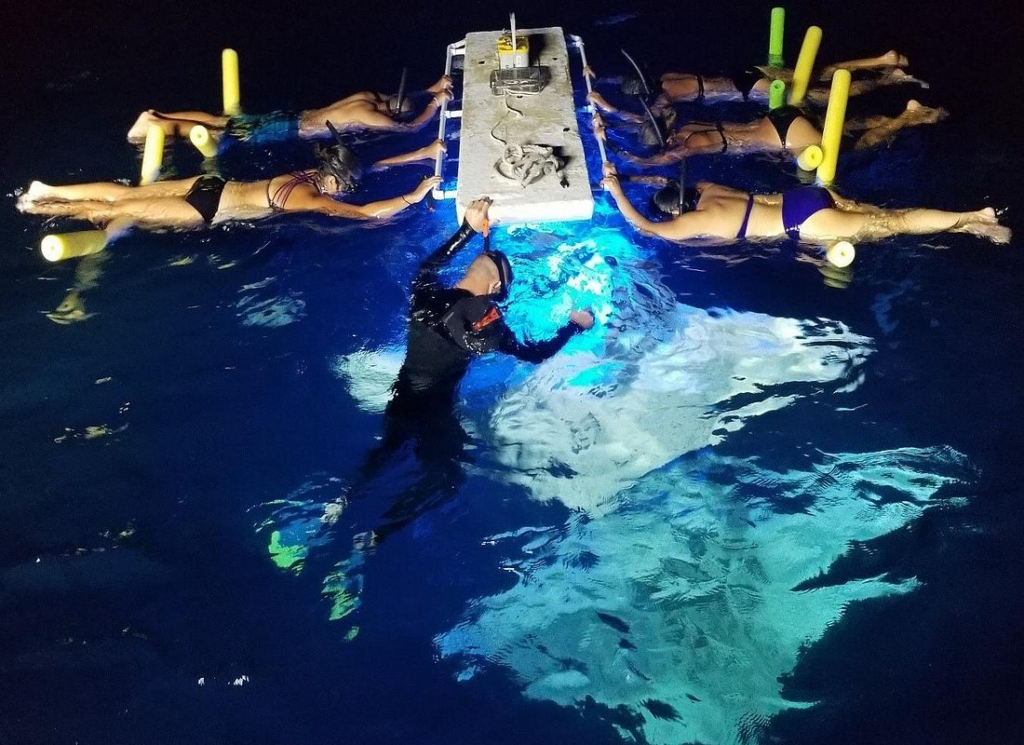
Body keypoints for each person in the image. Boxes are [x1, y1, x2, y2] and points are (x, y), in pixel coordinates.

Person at [17, 140, 446, 230]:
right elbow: (366, 213)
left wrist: (421, 153)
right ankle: (38, 208)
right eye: (344, 187)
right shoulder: (311, 198)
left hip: (213, 183)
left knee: (124, 194)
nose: (343, 194)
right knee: (117, 212)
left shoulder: (308, 173)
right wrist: (413, 195)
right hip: (206, 209)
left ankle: (46, 189)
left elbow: (368, 169)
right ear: (332, 180)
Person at [599, 162, 1011, 245]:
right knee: (888, 215)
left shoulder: (697, 220)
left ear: (678, 211)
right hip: (805, 196)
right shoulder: (707, 188)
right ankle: (972, 225)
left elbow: (646, 227)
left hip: (805, 220)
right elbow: (665, 180)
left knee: (897, 224)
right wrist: (625, 177)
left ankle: (971, 216)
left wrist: (617, 194)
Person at [590, 95, 947, 165]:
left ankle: (906, 117)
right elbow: (646, 122)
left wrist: (618, 153)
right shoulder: (687, 125)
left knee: (858, 149)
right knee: (842, 124)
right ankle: (908, 113)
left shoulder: (692, 144)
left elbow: (652, 162)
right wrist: (609, 116)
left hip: (785, 138)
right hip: (779, 117)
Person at [125, 75, 454, 144]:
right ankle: (157, 127)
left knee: (222, 121)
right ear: (389, 112)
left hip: (293, 116)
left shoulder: (368, 97)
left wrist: (430, 89)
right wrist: (435, 104)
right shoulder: (371, 116)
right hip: (291, 129)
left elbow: (401, 100)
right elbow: (409, 128)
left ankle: (159, 116)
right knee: (221, 134)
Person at [642, 50, 926, 109]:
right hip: (746, 71)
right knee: (818, 73)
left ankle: (889, 80)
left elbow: (655, 115)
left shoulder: (666, 96)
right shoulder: (667, 76)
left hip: (747, 89)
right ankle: (881, 60)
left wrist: (619, 115)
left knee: (821, 96)